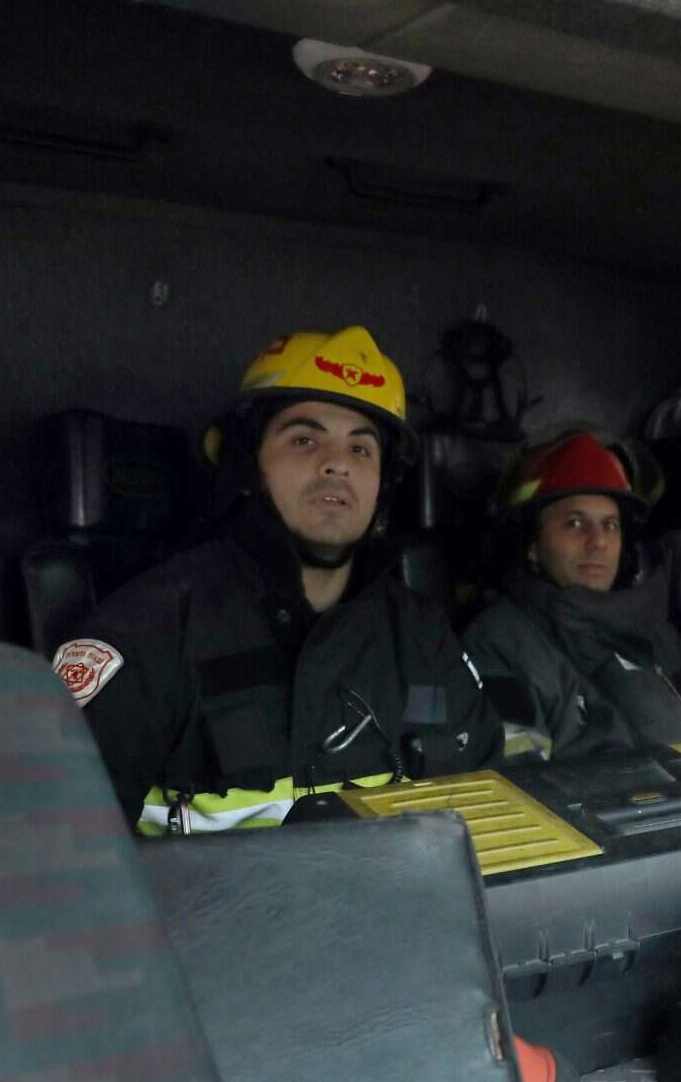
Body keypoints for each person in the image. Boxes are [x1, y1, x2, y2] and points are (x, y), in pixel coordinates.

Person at [53, 326, 501, 833]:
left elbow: (487, 816)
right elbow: (53, 852)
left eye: (361, 449)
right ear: (248, 466)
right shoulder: (148, 632)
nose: (337, 464)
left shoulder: (421, 636)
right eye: (304, 439)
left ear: (384, 485)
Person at [464, 427, 681, 757]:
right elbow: (517, 773)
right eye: (575, 523)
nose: (598, 542)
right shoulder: (500, 643)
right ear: (532, 545)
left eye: (610, 525)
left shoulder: (656, 636)